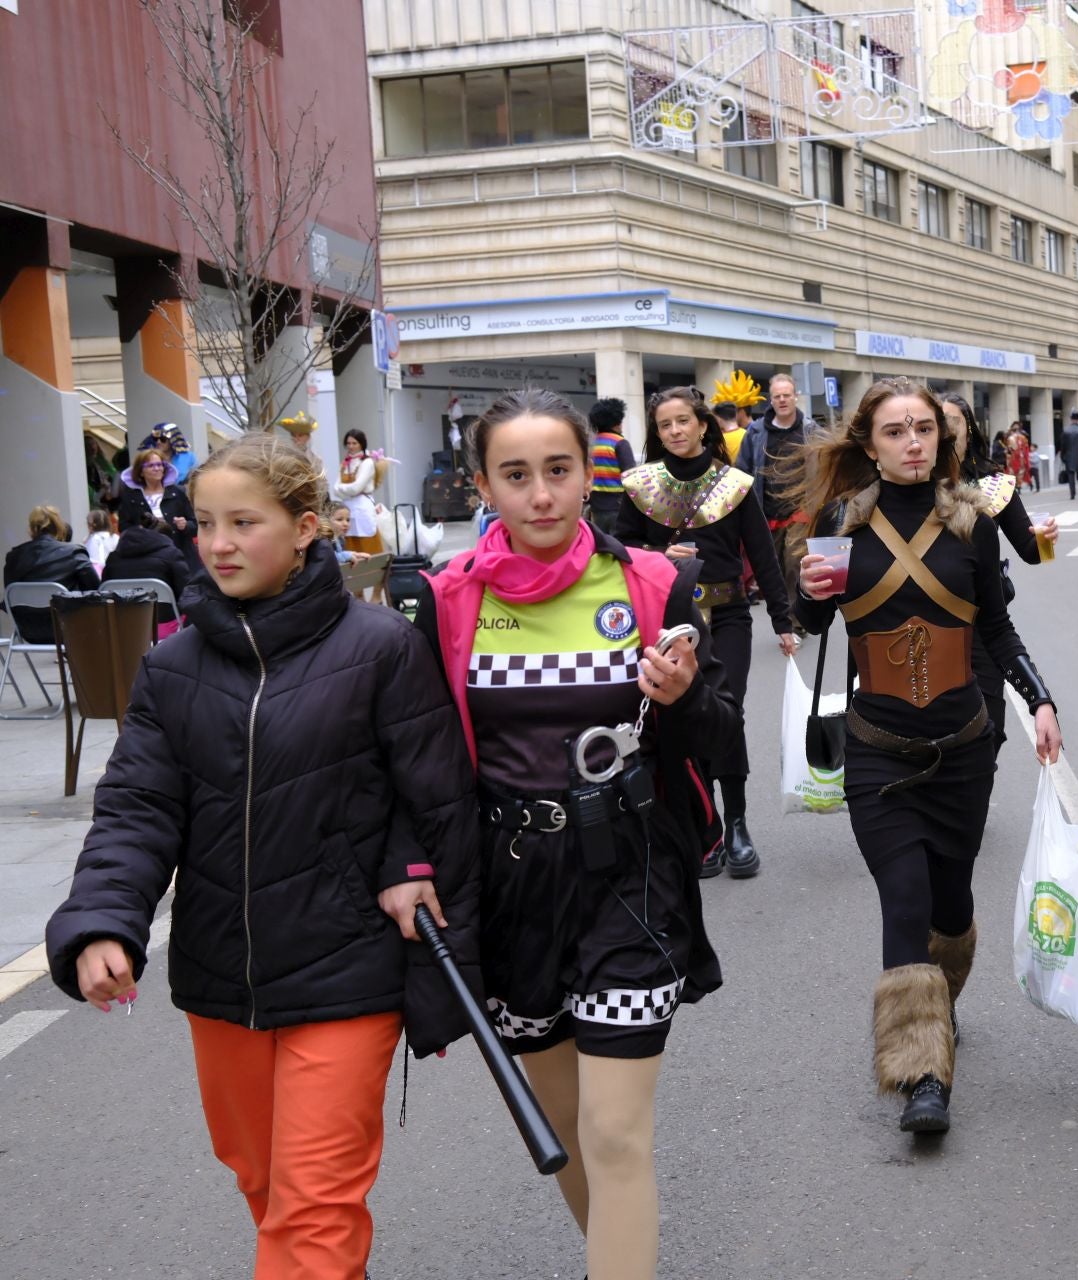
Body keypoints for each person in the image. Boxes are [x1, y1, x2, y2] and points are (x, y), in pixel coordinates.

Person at [44, 432, 482, 1280]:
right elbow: (136, 808)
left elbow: (434, 795)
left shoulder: (380, 646)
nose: (217, 544)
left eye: (244, 522)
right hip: (221, 977)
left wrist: (411, 866)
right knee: (267, 1185)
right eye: (205, 523)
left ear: (306, 527)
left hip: (347, 969)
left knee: (314, 1206)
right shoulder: (172, 666)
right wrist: (102, 921)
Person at [416, 387, 734, 1280]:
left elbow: (721, 741)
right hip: (512, 887)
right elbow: (420, 761)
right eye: (516, 475)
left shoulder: (651, 583)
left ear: (584, 475)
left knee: (616, 1131)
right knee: (565, 1135)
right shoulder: (445, 604)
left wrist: (685, 698)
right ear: (484, 484)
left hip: (631, 877)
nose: (541, 494)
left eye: (558, 471)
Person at [794, 377, 1059, 1135]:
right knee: (904, 898)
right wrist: (809, 593)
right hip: (877, 753)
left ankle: (938, 1009)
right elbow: (810, 616)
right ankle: (921, 1075)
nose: (913, 442)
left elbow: (999, 632)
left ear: (941, 439)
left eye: (923, 430)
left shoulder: (973, 524)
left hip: (963, 749)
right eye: (894, 432)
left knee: (951, 905)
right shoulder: (839, 521)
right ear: (869, 445)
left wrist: (1039, 700)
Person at [618, 386, 799, 879]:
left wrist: (783, 621)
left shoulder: (736, 483)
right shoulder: (640, 485)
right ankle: (708, 825)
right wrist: (657, 557)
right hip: (670, 617)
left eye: (682, 421)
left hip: (730, 614)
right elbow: (621, 549)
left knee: (727, 713)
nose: (674, 431)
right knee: (681, 718)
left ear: (703, 425)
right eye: (664, 425)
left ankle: (738, 824)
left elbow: (762, 554)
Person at [940, 392, 1057, 754]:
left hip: (982, 623)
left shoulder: (995, 485)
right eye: (936, 423)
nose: (945, 431)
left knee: (988, 732)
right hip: (930, 625)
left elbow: (1032, 552)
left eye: (953, 422)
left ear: (969, 430)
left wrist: (1046, 540)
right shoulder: (913, 487)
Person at [734, 372, 823, 620]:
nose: (782, 400)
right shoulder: (754, 432)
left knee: (796, 565)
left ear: (795, 397)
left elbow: (826, 466)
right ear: (770, 401)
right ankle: (785, 615)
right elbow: (742, 470)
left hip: (800, 511)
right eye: (777, 396)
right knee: (776, 569)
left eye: (787, 395)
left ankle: (797, 620)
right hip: (767, 511)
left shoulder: (810, 430)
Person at [4, 506, 102, 643]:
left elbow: (9, 597)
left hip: (28, 630)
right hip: (69, 627)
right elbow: (96, 590)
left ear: (32, 529)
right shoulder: (74, 553)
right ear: (59, 527)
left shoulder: (12, 557)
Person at [102, 507, 193, 629]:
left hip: (121, 627)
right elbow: (187, 594)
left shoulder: (113, 558)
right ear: (166, 538)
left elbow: (103, 594)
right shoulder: (172, 554)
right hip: (163, 628)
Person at [116, 446, 198, 560]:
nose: (157, 468)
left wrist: (185, 525)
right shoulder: (131, 497)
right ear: (141, 472)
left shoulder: (178, 492)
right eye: (151, 465)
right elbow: (124, 528)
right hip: (148, 557)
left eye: (160, 465)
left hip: (181, 555)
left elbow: (195, 525)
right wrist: (140, 530)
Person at [588, 398, 638, 535]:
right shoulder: (620, 443)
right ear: (617, 422)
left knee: (602, 544)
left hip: (596, 507)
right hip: (618, 507)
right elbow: (632, 477)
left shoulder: (591, 444)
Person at [331, 429, 383, 556]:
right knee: (348, 541)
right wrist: (347, 490)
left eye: (354, 443)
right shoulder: (345, 463)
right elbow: (335, 488)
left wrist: (342, 489)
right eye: (348, 443)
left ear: (361, 444)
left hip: (362, 507)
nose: (351, 446)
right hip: (347, 507)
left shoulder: (367, 462)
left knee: (366, 539)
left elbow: (357, 488)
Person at [1060, 411, 1078, 501]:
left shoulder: (1066, 430)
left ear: (1071, 418)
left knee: (1071, 475)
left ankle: (1072, 494)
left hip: (1068, 456)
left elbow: (1063, 445)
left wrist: (1063, 456)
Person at [84, 508, 118, 576]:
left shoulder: (93, 539)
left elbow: (93, 560)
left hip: (99, 574)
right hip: (115, 572)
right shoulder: (115, 537)